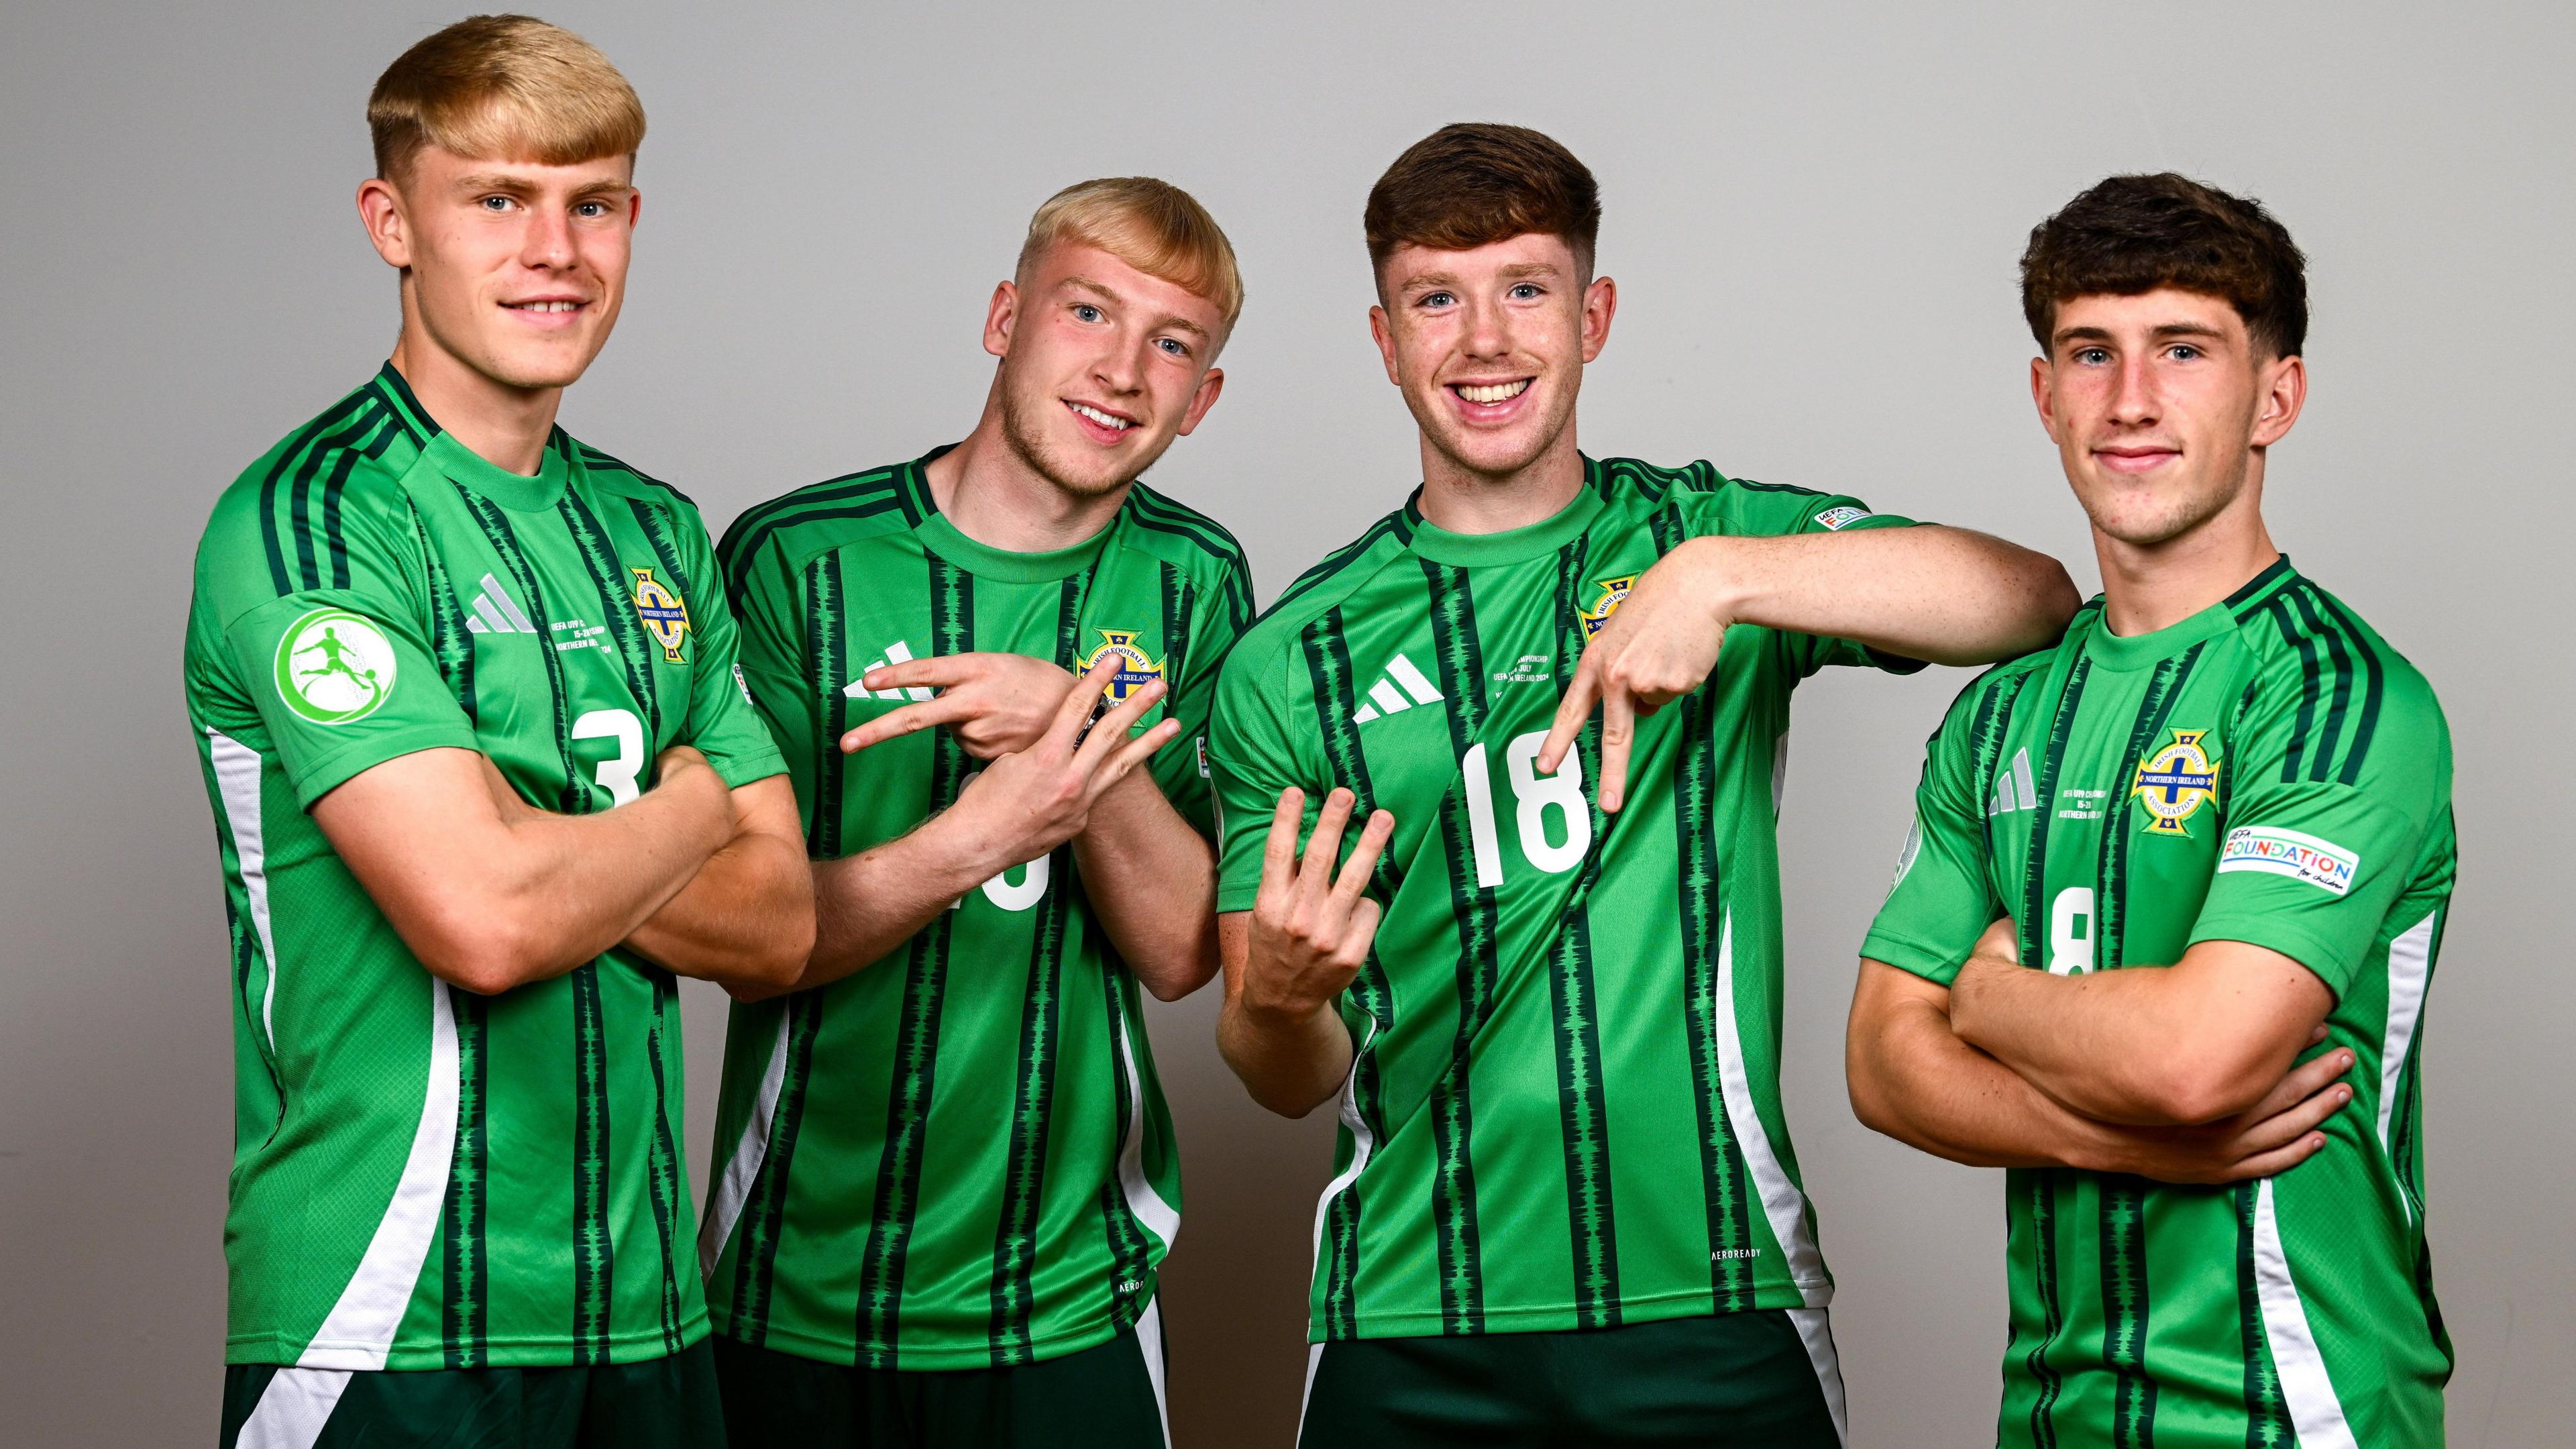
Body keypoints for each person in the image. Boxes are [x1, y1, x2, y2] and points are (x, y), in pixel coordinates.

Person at [1207, 122, 2080, 1448]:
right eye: (1436, 298)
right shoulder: (1291, 657)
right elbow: (1280, 1072)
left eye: (1526, 289)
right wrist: (1276, 997)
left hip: (1715, 1290)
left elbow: (2025, 598)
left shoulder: (1705, 534)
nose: (1484, 340)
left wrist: (1722, 582)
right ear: (1386, 341)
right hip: (1407, 1310)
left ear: (1594, 314)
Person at [184, 15, 813, 1448]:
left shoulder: (654, 528)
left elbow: (778, 929)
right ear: (392, 222)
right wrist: (698, 803)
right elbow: (480, 918)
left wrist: (545, 838)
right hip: (386, 1311)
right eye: (497, 200)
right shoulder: (315, 521)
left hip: (648, 1312)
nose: (556, 250)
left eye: (591, 203)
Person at [1847, 173, 2454, 1448]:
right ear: (2044, 394)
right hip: (2053, 1413)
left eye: (2184, 349)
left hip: (2297, 1403)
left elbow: (2199, 1060)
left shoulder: (2339, 697)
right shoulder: (1998, 716)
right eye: (2091, 352)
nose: (2131, 400)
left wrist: (1989, 999)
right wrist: (2122, 1146)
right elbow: (1881, 1068)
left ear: (2274, 395)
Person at [701, 177, 1252, 1448]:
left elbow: (1179, 953)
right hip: (791, 1281)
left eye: (1173, 344)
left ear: (1203, 398)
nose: (1122, 370)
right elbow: (743, 934)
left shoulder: (1196, 578)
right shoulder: (798, 556)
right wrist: (985, 832)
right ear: (1006, 317)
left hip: (1068, 1298)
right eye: (1087, 313)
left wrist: (1078, 738)